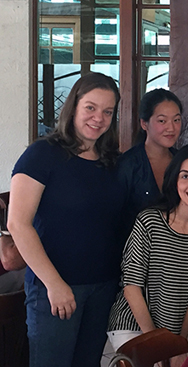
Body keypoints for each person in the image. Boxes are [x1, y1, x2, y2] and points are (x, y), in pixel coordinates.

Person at [7, 72, 124, 366]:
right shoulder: (42, 154)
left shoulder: (110, 160)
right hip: (55, 288)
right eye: (90, 107)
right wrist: (54, 284)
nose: (99, 118)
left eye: (107, 111)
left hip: (103, 286)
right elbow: (17, 223)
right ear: (73, 106)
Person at [107, 144, 188, 366]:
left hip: (177, 329)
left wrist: (179, 341)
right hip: (133, 325)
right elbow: (131, 288)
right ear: (175, 181)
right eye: (186, 176)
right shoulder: (149, 221)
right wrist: (158, 346)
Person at [118, 88, 183, 235]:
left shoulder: (184, 162)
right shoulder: (127, 165)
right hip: (133, 252)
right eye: (162, 121)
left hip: (176, 252)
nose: (171, 128)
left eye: (176, 120)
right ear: (144, 124)